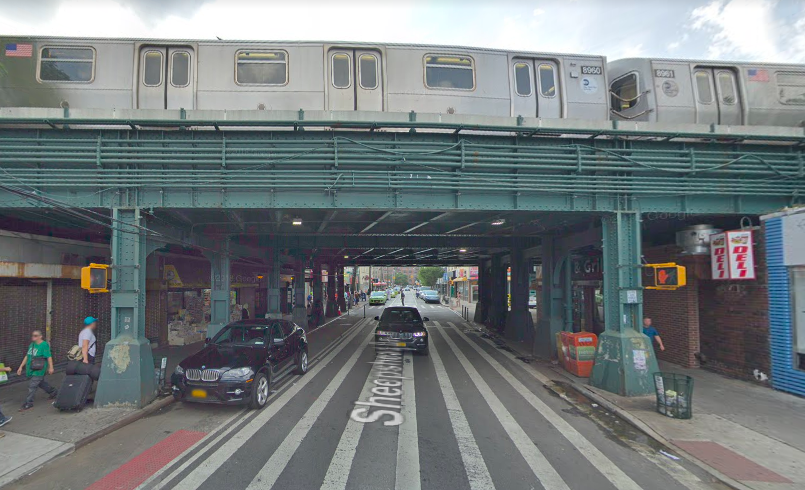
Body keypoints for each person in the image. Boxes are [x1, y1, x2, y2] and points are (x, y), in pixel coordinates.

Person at [17, 330, 56, 411]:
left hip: (39, 368)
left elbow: (49, 356)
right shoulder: (32, 344)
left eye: (35, 335)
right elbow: (27, 356)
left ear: (40, 336)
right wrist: (21, 366)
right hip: (32, 368)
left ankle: (29, 403)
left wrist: (51, 367)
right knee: (41, 383)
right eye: (33, 335)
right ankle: (53, 392)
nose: (33, 337)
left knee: (32, 385)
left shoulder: (44, 345)